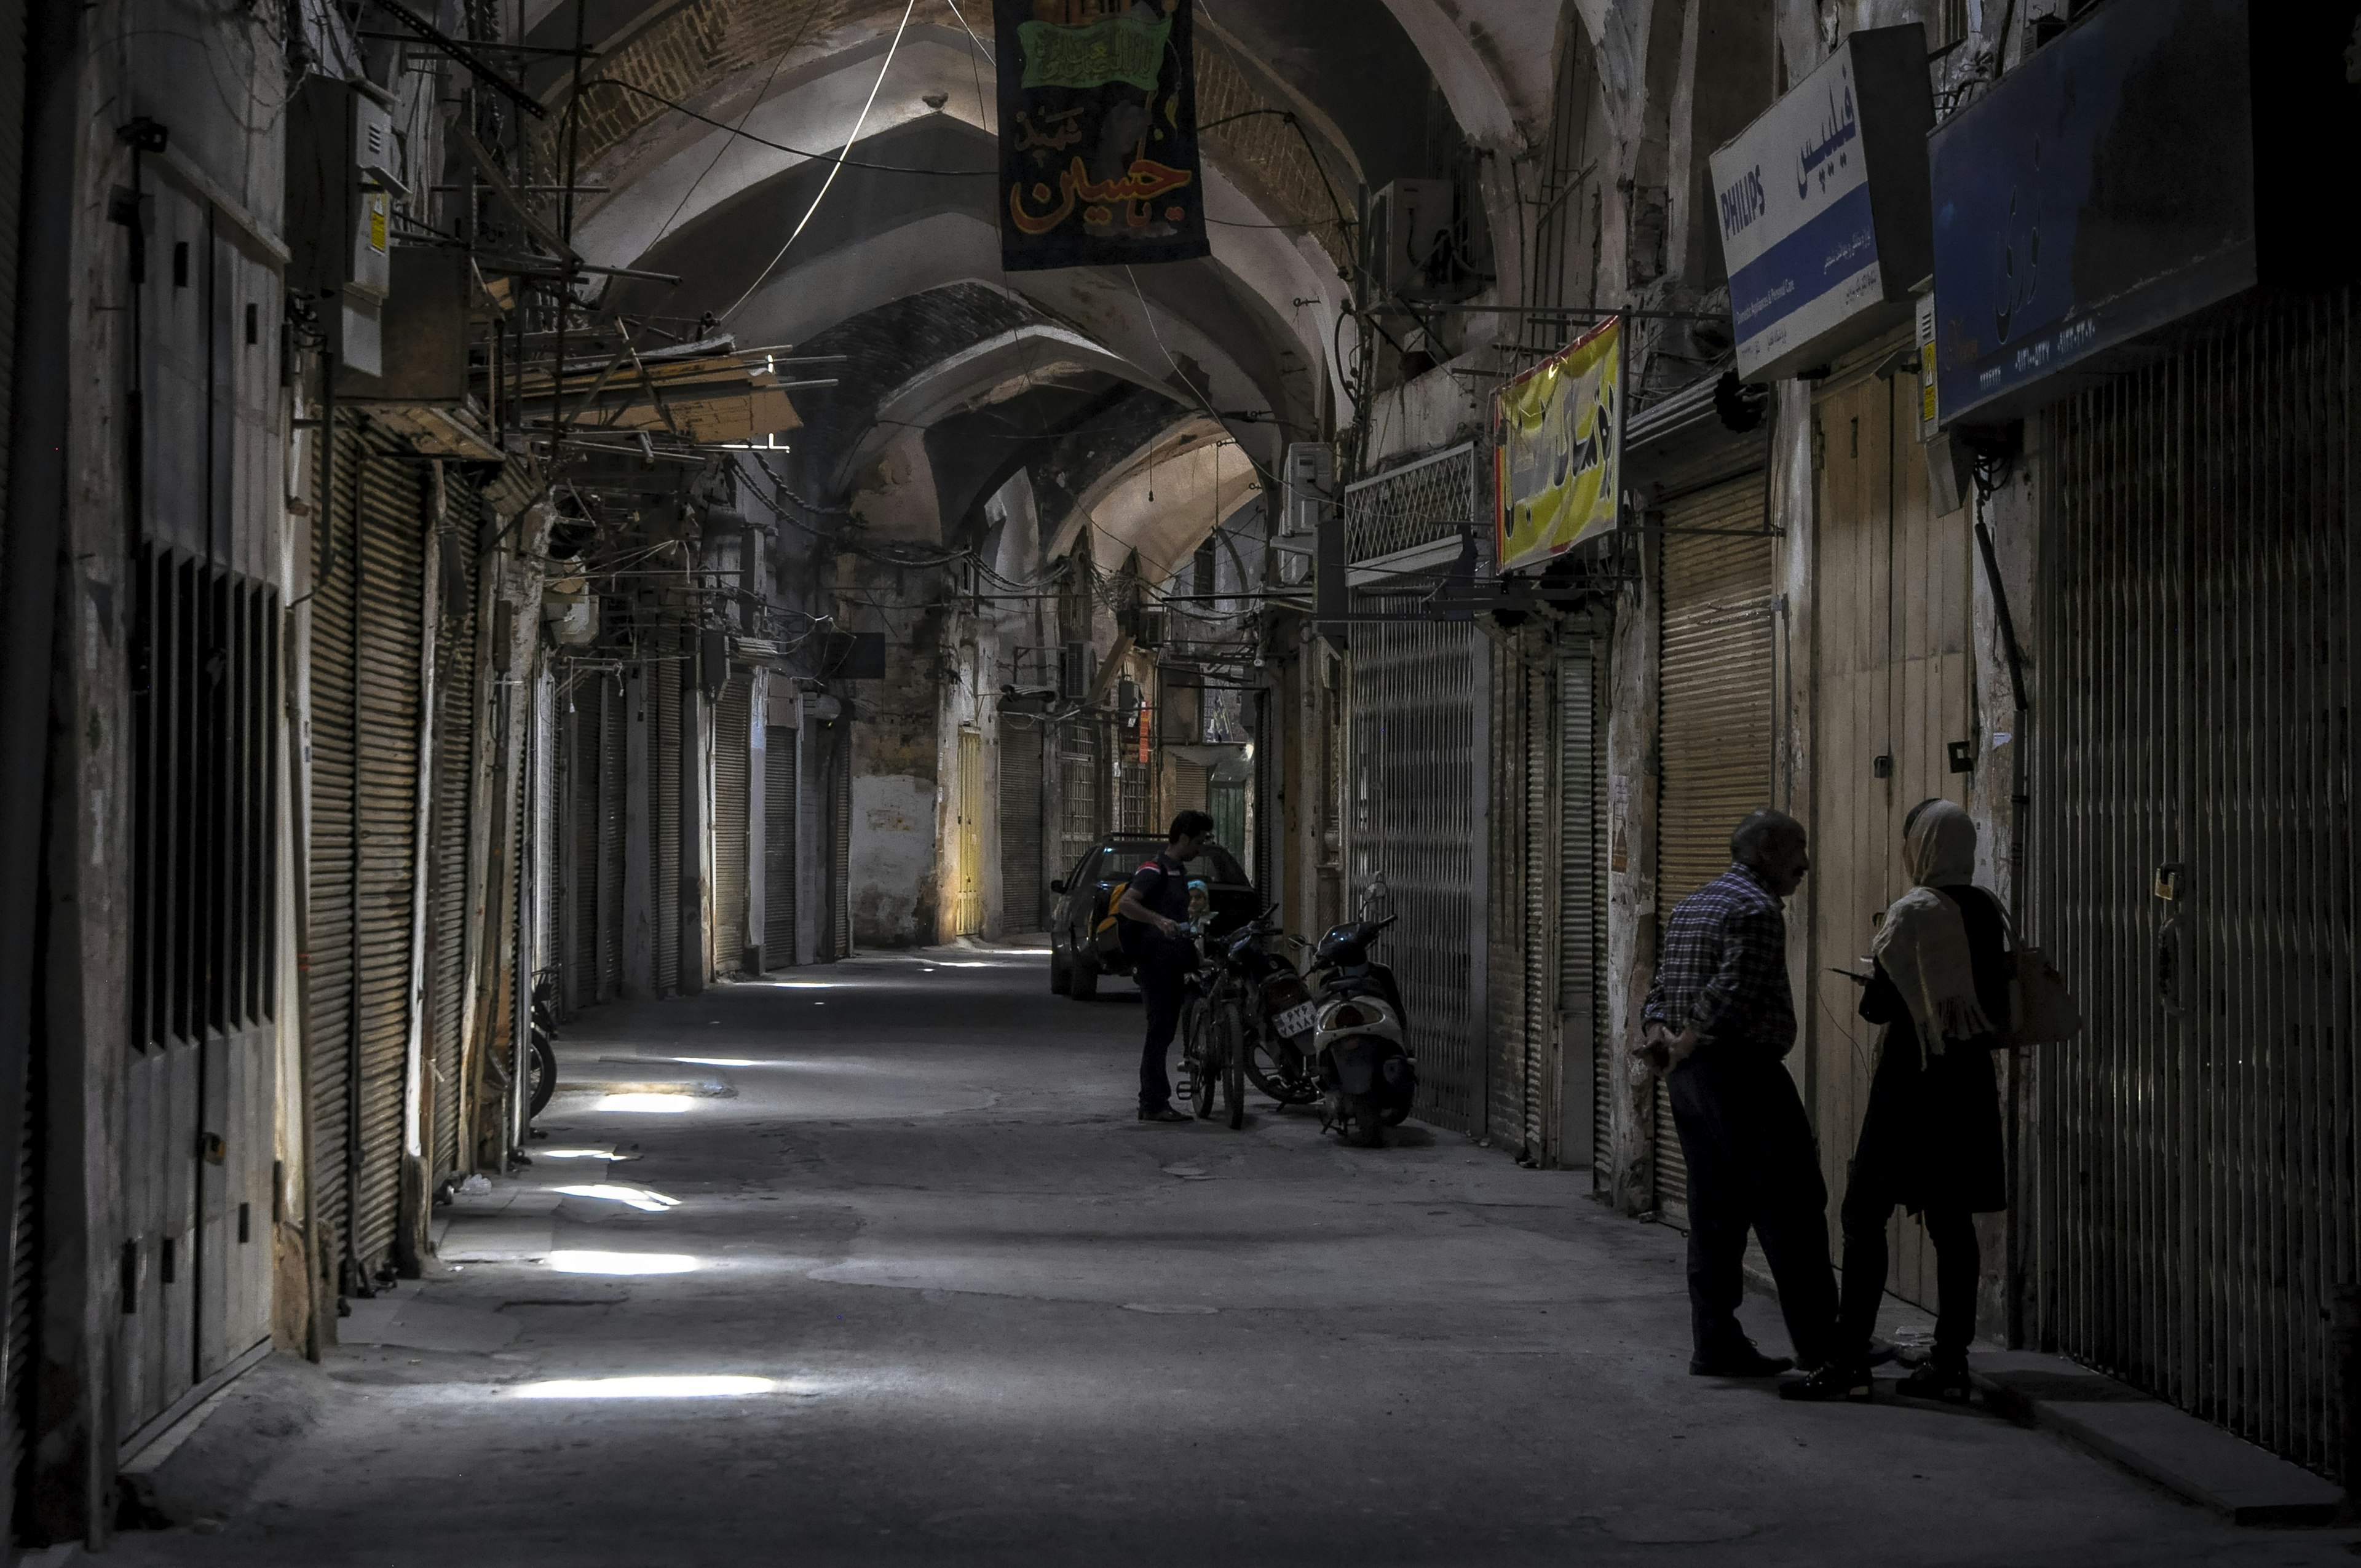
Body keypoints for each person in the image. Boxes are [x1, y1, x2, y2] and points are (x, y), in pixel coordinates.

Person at [1782, 798, 2010, 1403]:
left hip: (1911, 1087)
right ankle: (1950, 1360)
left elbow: (1881, 1007)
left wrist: (1879, 985)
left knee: (1863, 1214)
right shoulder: (1988, 911)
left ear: (1921, 848)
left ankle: (1848, 1357)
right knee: (1952, 1222)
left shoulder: (1913, 912)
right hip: (1966, 1086)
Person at [1639, 808, 1839, 1380]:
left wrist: (1660, 1035)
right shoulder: (1756, 910)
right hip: (1740, 1073)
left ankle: (1716, 1342)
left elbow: (1663, 984)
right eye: (1797, 848)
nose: (1805, 863)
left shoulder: (1695, 903)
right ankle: (1823, 1348)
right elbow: (1730, 993)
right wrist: (1690, 1040)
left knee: (1715, 1211)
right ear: (1769, 850)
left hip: (1691, 1082)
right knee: (1792, 1206)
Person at [1116, 810, 1214, 1123]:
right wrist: (1158, 920)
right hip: (1154, 964)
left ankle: (1159, 1098)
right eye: (1198, 841)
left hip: (1173, 962)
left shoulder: (1178, 872)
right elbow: (1127, 904)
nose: (1200, 848)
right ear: (1184, 839)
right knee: (1159, 1032)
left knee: (1170, 1028)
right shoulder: (1153, 869)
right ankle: (1153, 1102)